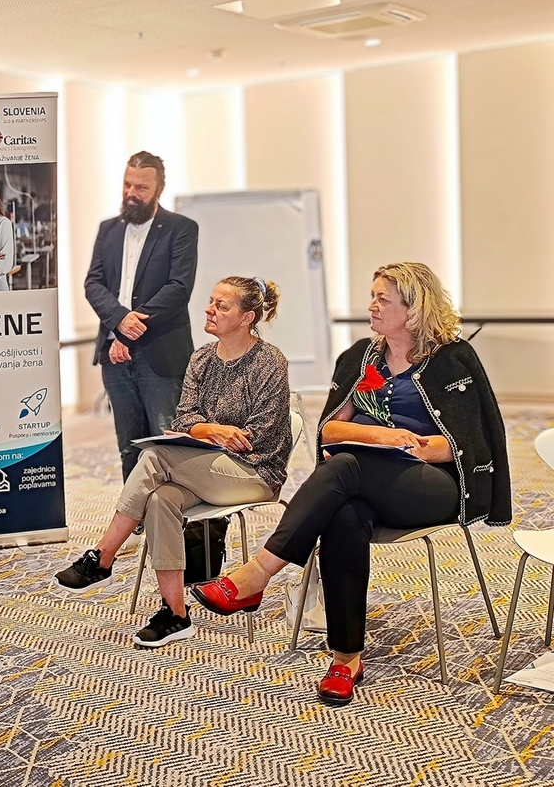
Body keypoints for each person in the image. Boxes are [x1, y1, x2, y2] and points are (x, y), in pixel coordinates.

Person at [192, 263, 511, 706]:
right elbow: (329, 430)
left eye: (383, 299)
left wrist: (415, 447)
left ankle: (259, 572)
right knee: (344, 514)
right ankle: (346, 659)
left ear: (414, 308)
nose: (371, 305)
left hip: (431, 487)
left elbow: (470, 443)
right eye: (373, 295)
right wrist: (380, 438)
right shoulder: (361, 356)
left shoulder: (453, 359)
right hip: (364, 479)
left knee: (346, 466)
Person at [55, 278, 291, 648]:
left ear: (247, 317)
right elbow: (184, 420)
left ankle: (102, 557)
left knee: (154, 455)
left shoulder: (269, 361)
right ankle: (176, 614)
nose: (209, 310)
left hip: (255, 472)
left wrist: (207, 434)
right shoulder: (202, 357)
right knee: (159, 499)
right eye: (211, 302)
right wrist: (211, 430)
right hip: (206, 467)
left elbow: (258, 436)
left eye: (221, 306)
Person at [85, 152, 199, 482]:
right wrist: (119, 320)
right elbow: (93, 283)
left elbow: (178, 288)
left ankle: (172, 510)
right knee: (128, 446)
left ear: (159, 189)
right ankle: (135, 509)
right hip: (115, 358)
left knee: (167, 443)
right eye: (127, 185)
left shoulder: (180, 229)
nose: (131, 193)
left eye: (141, 188)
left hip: (159, 354)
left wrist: (128, 329)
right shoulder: (108, 229)